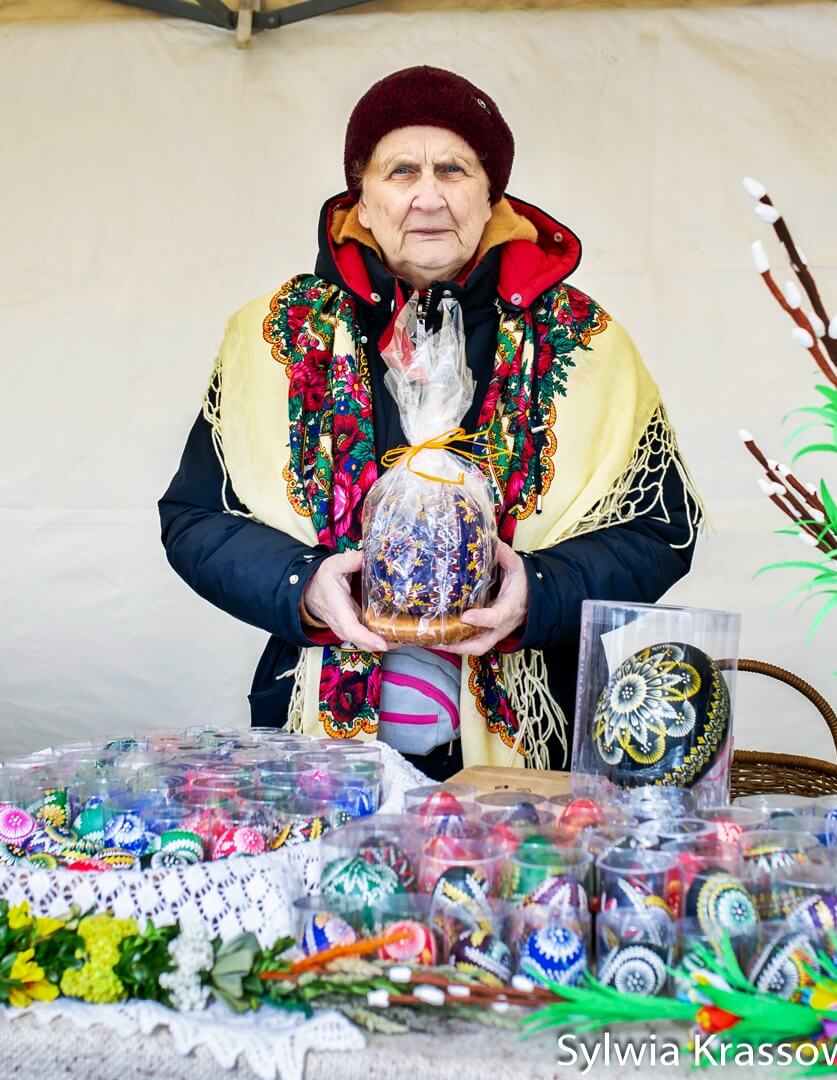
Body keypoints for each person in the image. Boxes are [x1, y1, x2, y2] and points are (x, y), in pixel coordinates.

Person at [159, 66, 701, 778]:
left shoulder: (581, 339)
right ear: (362, 196)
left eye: (453, 169)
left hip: (529, 744)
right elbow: (195, 517)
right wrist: (301, 586)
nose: (428, 196)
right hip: (318, 744)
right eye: (400, 171)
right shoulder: (278, 335)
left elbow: (662, 527)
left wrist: (540, 591)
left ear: (490, 194)